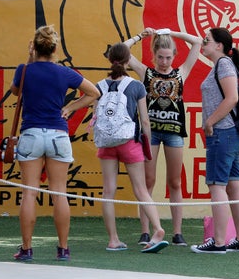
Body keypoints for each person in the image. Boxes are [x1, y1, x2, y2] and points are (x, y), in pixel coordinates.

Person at [65, 43, 169, 254]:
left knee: (108, 192)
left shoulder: (99, 86)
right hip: (129, 142)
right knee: (141, 190)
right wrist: (146, 145)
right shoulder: (136, 86)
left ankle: (113, 239)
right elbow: (145, 121)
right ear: (128, 59)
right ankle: (157, 229)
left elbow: (96, 114)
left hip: (106, 144)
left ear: (110, 59)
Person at [10, 25, 100, 262]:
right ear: (55, 48)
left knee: (29, 193)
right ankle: (63, 249)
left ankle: (27, 249)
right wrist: (70, 108)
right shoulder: (64, 73)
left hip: (30, 134)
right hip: (58, 135)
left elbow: (14, 92)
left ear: (35, 46)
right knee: (59, 193)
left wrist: (29, 60)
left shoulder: (24, 70)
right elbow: (93, 93)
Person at [124, 27, 202, 247]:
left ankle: (177, 232)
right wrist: (142, 36)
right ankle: (145, 232)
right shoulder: (146, 72)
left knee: (175, 182)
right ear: (154, 55)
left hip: (174, 132)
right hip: (151, 132)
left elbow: (197, 42)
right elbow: (122, 51)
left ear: (174, 56)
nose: (164, 62)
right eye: (160, 57)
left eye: (168, 57)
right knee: (147, 181)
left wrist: (172, 33)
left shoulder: (181, 72)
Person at [191, 27, 239, 254]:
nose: (203, 42)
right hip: (230, 133)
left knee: (217, 185)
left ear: (219, 45)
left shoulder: (224, 64)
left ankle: (218, 241)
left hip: (222, 132)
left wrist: (210, 122)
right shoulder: (223, 64)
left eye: (207, 40)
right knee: (234, 186)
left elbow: (232, 98)